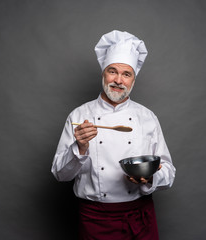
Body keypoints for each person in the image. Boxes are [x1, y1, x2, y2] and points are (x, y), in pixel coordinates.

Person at [51, 30, 176, 240]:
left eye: (126, 74)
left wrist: (150, 178)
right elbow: (60, 174)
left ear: (133, 80)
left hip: (139, 216)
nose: (118, 80)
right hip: (95, 219)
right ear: (103, 73)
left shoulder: (147, 117)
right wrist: (79, 147)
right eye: (112, 71)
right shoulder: (79, 115)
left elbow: (169, 173)